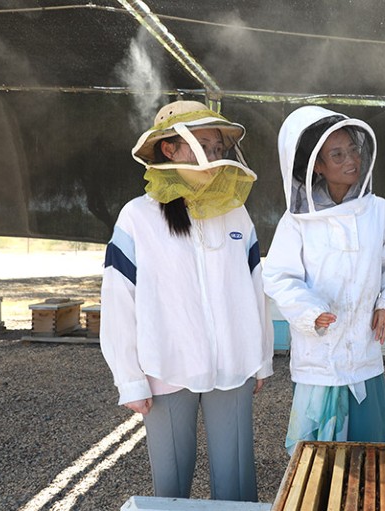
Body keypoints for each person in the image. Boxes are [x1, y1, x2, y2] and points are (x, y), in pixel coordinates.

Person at [100, 100, 273, 501]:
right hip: (166, 367)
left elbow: (255, 287)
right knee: (169, 487)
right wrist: (129, 379)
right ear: (169, 149)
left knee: (237, 484)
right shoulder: (136, 217)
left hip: (233, 365)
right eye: (203, 146)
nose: (213, 157)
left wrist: (260, 357)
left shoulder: (235, 214)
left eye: (217, 148)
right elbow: (118, 299)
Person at [262, 106, 385, 455]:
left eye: (354, 150)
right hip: (319, 354)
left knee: (368, 455)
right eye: (337, 154)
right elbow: (279, 276)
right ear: (317, 165)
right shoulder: (297, 221)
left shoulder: (380, 212)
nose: (351, 160)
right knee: (318, 459)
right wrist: (310, 312)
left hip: (364, 352)